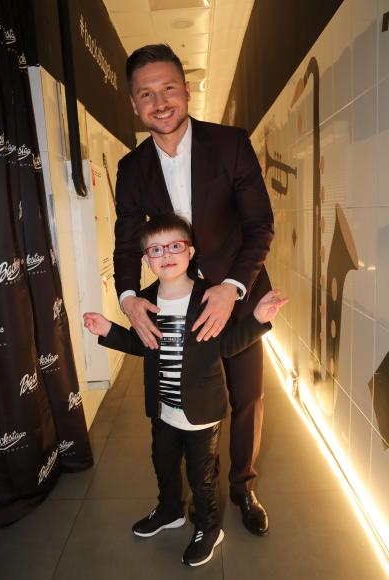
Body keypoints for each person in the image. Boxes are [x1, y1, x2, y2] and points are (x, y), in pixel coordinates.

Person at [114, 44, 275, 535]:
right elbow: (126, 243)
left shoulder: (230, 144)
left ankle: (242, 487)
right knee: (184, 399)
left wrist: (232, 287)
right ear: (134, 104)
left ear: (186, 90)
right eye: (146, 94)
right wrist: (128, 298)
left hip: (238, 291)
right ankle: (192, 497)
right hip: (176, 300)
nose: (160, 102)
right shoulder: (131, 168)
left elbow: (259, 225)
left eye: (168, 88)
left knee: (246, 395)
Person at [84, 214, 286, 567]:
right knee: (163, 463)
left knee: (201, 477)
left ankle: (209, 528)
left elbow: (227, 345)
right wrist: (108, 331)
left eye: (175, 246)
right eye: (156, 250)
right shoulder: (146, 301)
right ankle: (169, 511)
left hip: (201, 412)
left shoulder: (209, 296)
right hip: (163, 407)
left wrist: (258, 318)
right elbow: (142, 344)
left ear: (190, 252)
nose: (166, 255)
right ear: (146, 259)